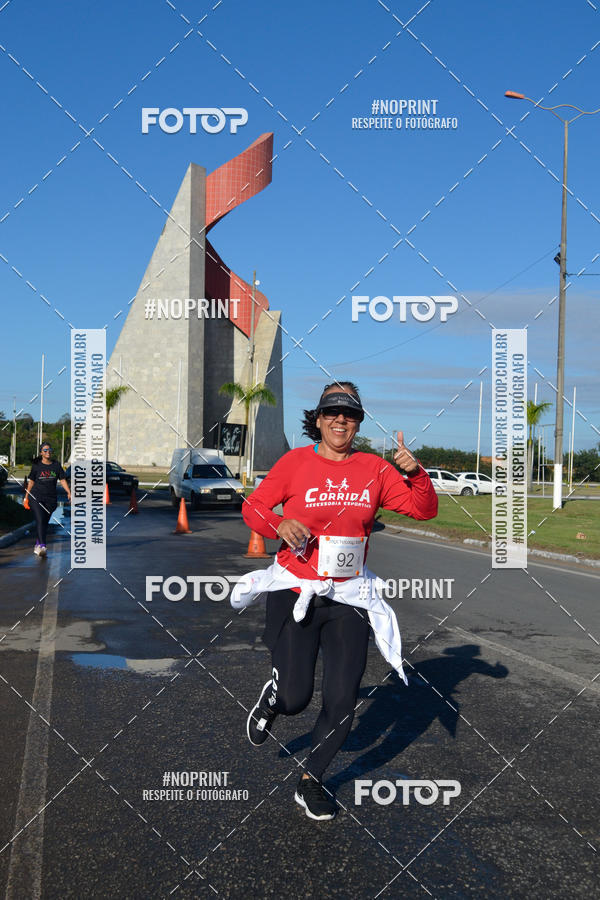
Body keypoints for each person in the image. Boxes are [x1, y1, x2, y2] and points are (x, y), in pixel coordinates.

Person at [232, 381, 438, 821]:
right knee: (295, 697)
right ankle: (274, 699)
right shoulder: (294, 462)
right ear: (319, 419)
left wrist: (415, 472)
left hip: (348, 596)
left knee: (342, 698)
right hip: (296, 591)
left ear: (358, 421)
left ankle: (313, 781)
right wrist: (280, 523)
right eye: (332, 412)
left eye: (350, 413)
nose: (340, 419)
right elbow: (254, 508)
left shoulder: (375, 470)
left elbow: (424, 510)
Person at [26, 443, 71, 556]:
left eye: (49, 450)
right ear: (41, 452)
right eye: (45, 450)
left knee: (44, 523)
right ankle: (43, 546)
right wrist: (26, 497)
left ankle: (38, 544)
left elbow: (63, 480)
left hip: (51, 499)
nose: (48, 452)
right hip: (36, 497)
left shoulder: (56, 465)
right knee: (41, 520)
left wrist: (69, 492)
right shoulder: (36, 465)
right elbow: (31, 482)